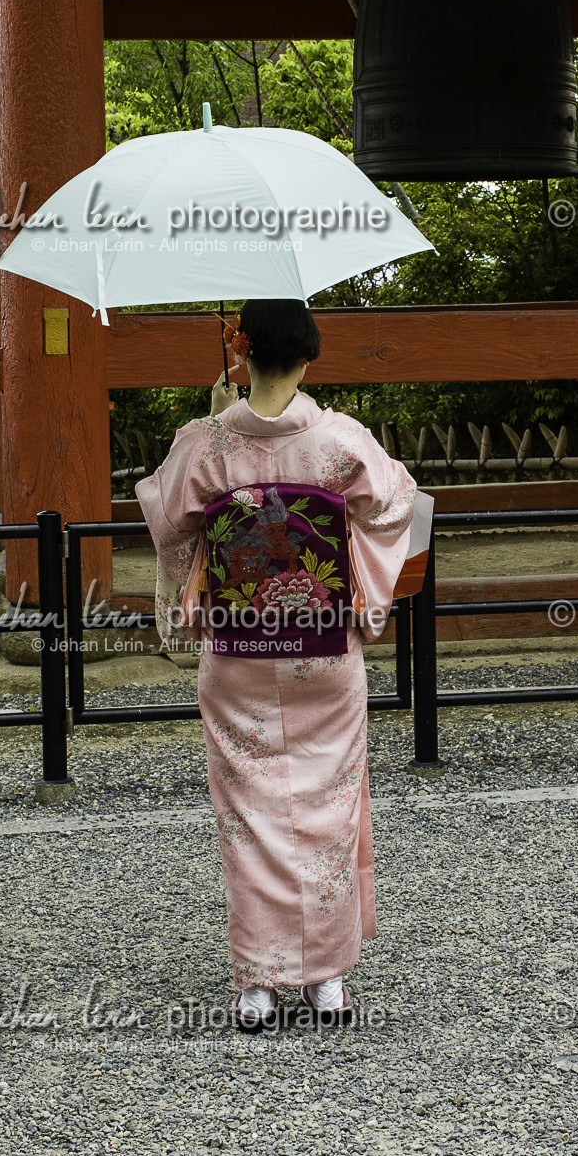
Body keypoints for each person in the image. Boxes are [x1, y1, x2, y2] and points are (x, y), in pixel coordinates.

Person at [135, 299, 417, 1027]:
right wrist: (345, 556)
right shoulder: (339, 440)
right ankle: (325, 981)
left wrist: (210, 428)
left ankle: (257, 983)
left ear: (242, 349)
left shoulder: (204, 441)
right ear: (309, 355)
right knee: (326, 803)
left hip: (238, 651)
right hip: (321, 650)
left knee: (250, 813)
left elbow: (169, 528)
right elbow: (394, 508)